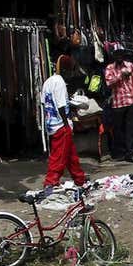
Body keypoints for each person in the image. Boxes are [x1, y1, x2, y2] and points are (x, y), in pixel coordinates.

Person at [40, 54, 88, 188]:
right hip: (61, 125)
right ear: (66, 70)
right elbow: (61, 106)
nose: (72, 75)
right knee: (59, 157)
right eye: (71, 71)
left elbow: (44, 103)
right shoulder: (60, 82)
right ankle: (50, 182)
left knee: (71, 157)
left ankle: (80, 179)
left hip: (52, 123)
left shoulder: (48, 81)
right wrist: (67, 126)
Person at [104, 48, 133, 163]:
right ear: (114, 58)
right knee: (118, 129)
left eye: (121, 56)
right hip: (118, 103)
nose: (119, 58)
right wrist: (120, 75)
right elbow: (109, 83)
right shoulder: (110, 68)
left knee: (131, 129)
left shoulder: (130, 66)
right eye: (117, 56)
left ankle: (130, 153)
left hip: (131, 101)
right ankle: (120, 153)